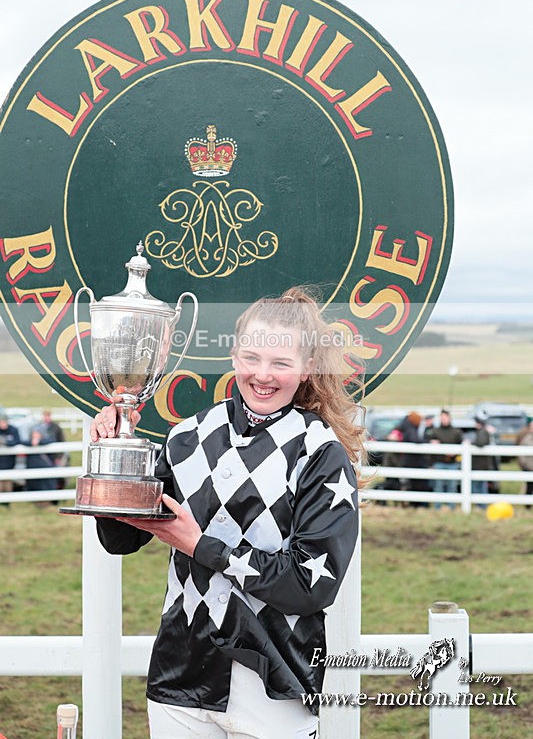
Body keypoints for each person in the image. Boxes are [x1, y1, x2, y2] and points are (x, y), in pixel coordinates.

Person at [93, 287, 363, 739]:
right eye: (252, 358)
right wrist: (115, 455)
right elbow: (120, 539)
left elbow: (310, 586)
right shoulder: (188, 436)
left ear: (308, 367)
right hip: (180, 680)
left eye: (281, 363)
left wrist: (203, 547)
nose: (263, 375)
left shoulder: (320, 453)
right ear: (234, 355)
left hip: (274, 683)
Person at [430, 409, 463, 510]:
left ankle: (451, 507)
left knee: (452, 486)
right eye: (442, 418)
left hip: (452, 463)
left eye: (445, 417)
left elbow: (461, 446)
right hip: (439, 462)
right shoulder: (435, 431)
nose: (444, 419)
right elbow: (431, 446)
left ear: (449, 418)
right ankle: (437, 507)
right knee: (438, 485)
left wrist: (455, 453)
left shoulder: (456, 432)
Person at [395, 412, 429, 507]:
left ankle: (412, 503)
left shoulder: (405, 426)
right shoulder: (410, 428)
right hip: (412, 461)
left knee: (411, 484)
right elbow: (415, 439)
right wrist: (427, 441)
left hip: (408, 461)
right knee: (415, 484)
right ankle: (415, 504)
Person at [470, 413, 493, 508]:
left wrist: (471, 443)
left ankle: (482, 506)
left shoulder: (483, 432)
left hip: (480, 465)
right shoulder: (482, 432)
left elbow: (481, 443)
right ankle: (481, 506)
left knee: (479, 486)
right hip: (480, 465)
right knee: (479, 486)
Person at [0, 410, 21, 507]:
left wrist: (5, 443)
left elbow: (17, 441)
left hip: (9, 462)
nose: (2, 424)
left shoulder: (13, 430)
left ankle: (7, 504)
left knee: (8, 483)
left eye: (4, 422)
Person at [518, 419, 533, 507]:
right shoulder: (526, 438)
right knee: (529, 486)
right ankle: (527, 505)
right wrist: (524, 464)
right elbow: (521, 453)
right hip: (529, 466)